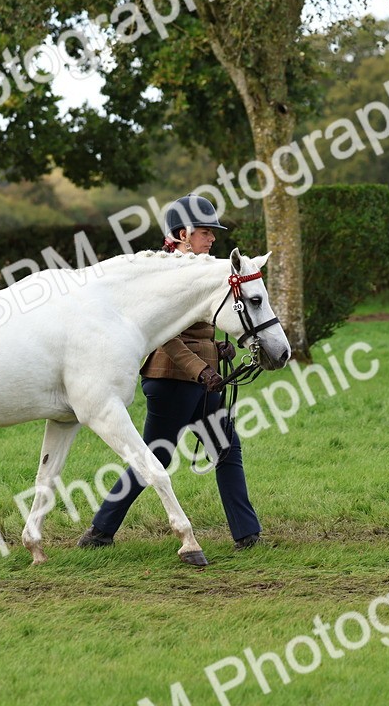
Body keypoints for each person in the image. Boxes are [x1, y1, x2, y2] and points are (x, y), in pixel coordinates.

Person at [77, 194, 262, 553]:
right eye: (205, 232)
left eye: (212, 233)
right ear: (181, 234)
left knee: (226, 448)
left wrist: (217, 351)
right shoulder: (161, 273)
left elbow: (202, 329)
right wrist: (199, 368)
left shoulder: (202, 272)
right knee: (156, 456)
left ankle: (247, 534)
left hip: (203, 378)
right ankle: (100, 530)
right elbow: (168, 337)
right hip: (170, 377)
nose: (212, 239)